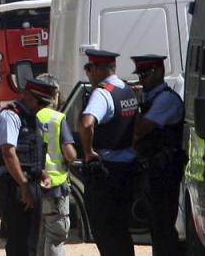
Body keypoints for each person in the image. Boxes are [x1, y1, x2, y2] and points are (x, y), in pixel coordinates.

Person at [79, 49, 139, 256]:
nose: (88, 74)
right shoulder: (126, 89)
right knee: (121, 231)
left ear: (96, 69)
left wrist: (88, 153)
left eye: (88, 68)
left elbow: (87, 123)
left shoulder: (103, 92)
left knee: (105, 232)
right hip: (128, 170)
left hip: (107, 174)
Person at [131, 55, 187, 256]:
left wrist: (134, 106)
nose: (141, 80)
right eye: (140, 75)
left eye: (146, 74)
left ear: (160, 72)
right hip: (153, 171)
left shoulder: (165, 99)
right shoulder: (152, 98)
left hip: (165, 171)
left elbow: (140, 130)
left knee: (163, 225)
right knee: (156, 225)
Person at [0, 79, 47, 256]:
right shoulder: (9, 116)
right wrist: (24, 185)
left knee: (30, 240)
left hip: (29, 183)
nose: (42, 107)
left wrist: (41, 173)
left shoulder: (31, 118)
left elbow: (32, 151)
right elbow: (8, 153)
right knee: (19, 242)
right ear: (27, 95)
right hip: (15, 185)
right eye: (40, 102)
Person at [34, 74, 77, 256]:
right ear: (54, 94)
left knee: (41, 234)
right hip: (56, 187)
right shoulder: (58, 118)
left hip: (34, 185)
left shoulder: (31, 116)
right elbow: (69, 153)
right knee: (56, 235)